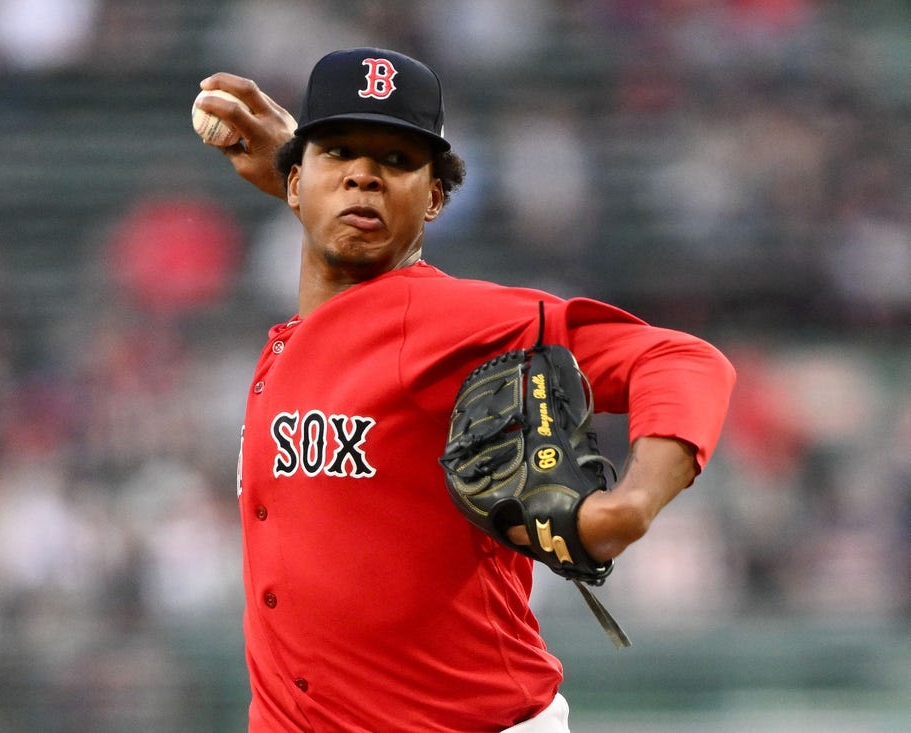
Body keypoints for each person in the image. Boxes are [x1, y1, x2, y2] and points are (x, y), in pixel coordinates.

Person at [194, 48, 736, 732]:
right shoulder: (302, 332)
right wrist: (313, 185)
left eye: (396, 162)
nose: (364, 173)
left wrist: (628, 506)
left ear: (436, 199)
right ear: (294, 181)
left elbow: (681, 359)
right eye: (339, 152)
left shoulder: (452, 324)